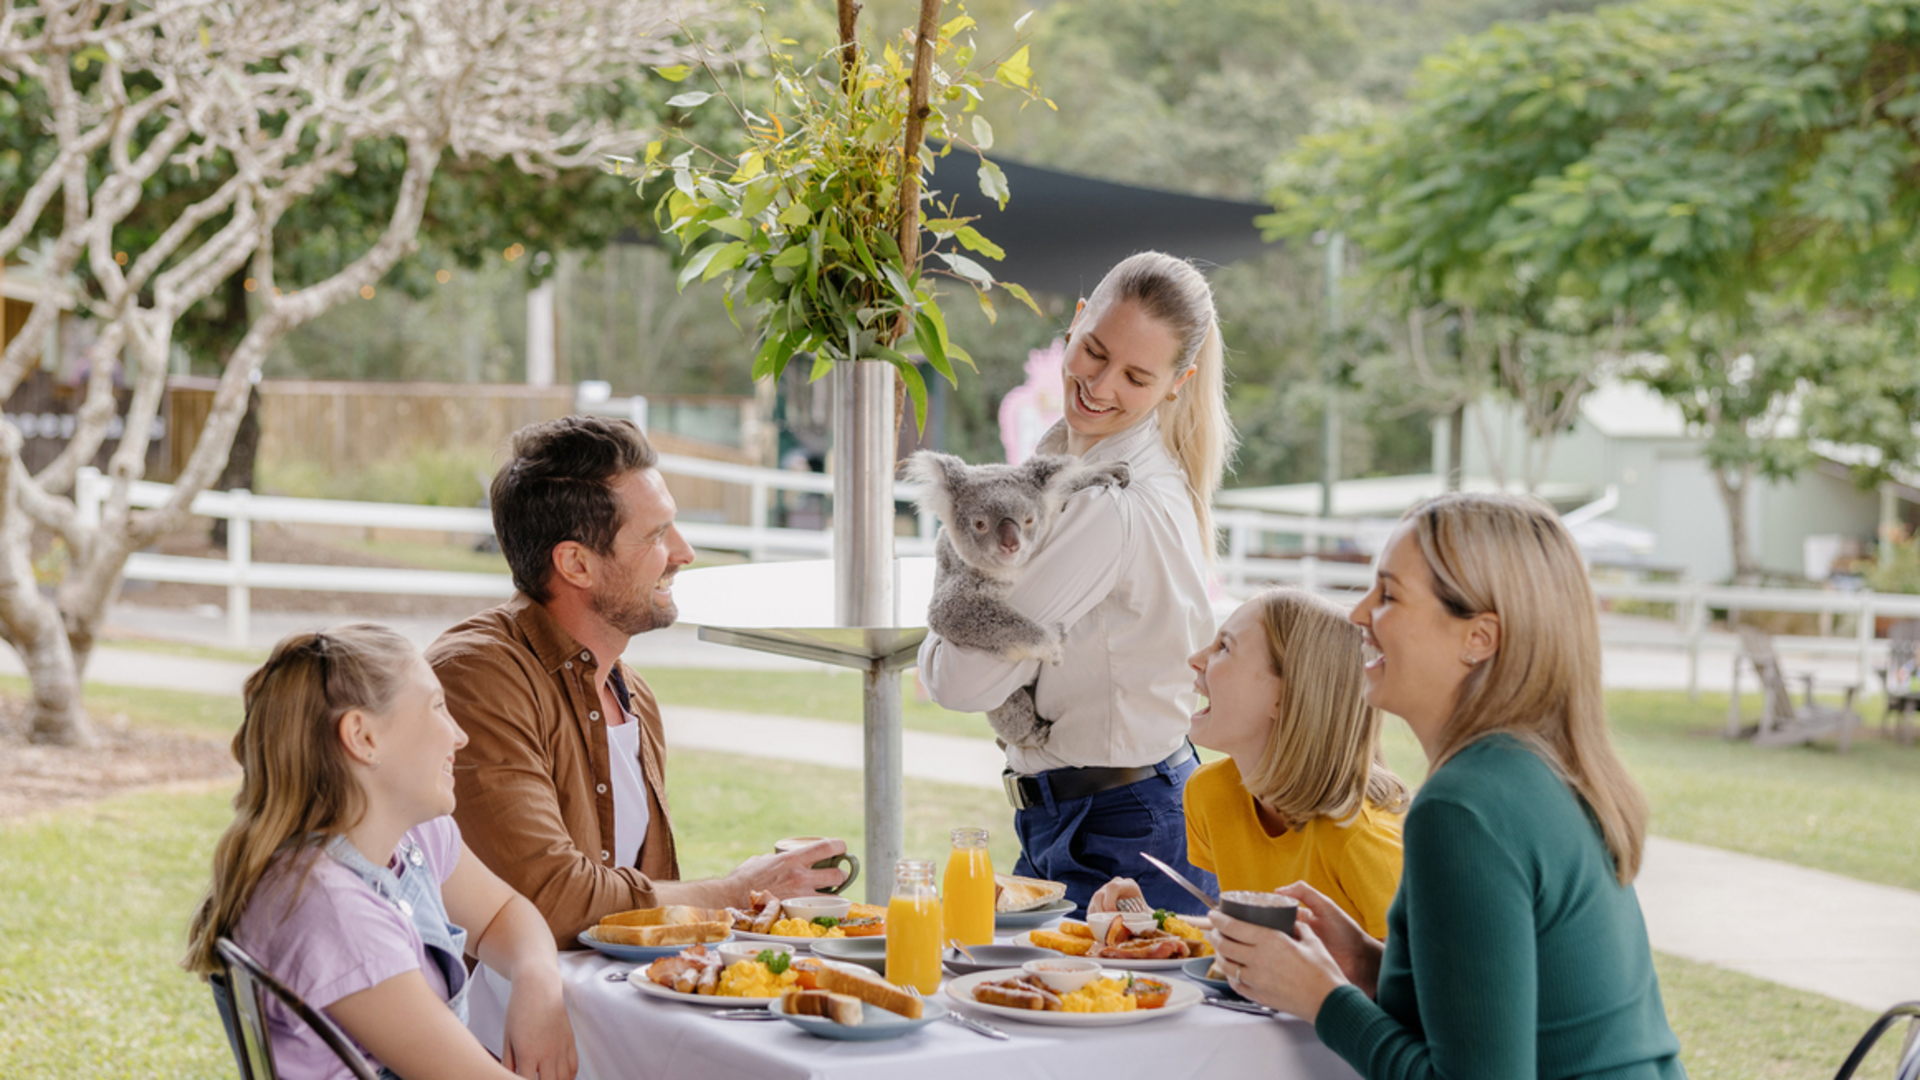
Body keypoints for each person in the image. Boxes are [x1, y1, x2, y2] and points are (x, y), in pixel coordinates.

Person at [1208, 493, 1686, 1080]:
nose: (1358, 615)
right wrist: (1365, 963)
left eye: (1388, 595)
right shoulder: (1528, 770)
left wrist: (1323, 999)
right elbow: (1501, 1006)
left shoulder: (1464, 809)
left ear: (1479, 638)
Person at [428, 416, 847, 945]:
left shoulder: (634, 695)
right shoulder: (477, 678)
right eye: (655, 535)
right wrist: (737, 890)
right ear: (576, 563)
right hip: (493, 1022)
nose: (684, 552)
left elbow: (647, 902)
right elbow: (552, 900)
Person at [917, 251, 1238, 914]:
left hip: (1118, 830)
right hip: (1087, 814)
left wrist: (940, 623)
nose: (1100, 384)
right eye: (1094, 351)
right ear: (1074, 321)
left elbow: (958, 681)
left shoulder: (1109, 506)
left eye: (1136, 376)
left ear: (1178, 383)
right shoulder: (1064, 464)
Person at [184, 624, 577, 1080]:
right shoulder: (331, 912)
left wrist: (537, 981)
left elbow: (502, 913)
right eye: (437, 707)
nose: (459, 736)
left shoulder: (413, 836)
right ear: (363, 737)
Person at [1090, 588, 1407, 940]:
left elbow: (1414, 985)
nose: (1196, 658)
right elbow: (1252, 935)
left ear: (1286, 697)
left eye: (1224, 647)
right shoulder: (1210, 793)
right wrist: (1149, 922)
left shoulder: (1365, 841)